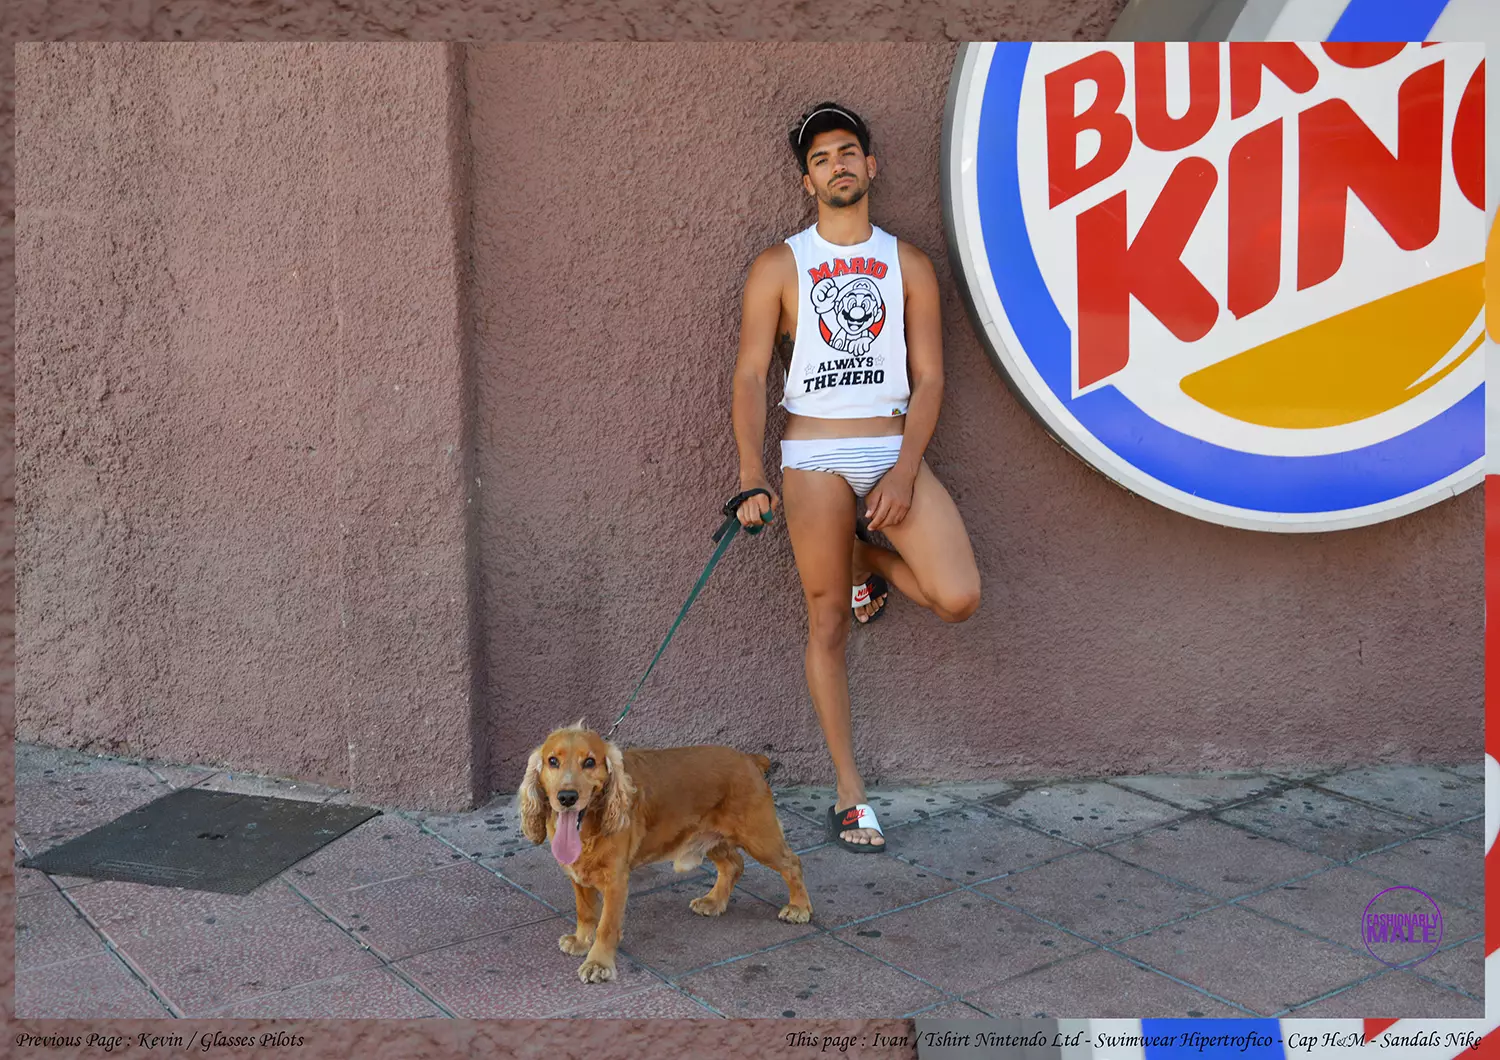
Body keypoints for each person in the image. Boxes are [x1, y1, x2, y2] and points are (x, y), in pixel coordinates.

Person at [729, 102, 981, 853]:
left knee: (958, 597)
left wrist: (904, 472)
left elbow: (931, 378)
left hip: (890, 449)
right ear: (807, 181)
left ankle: (864, 554)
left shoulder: (908, 264)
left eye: (847, 152)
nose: (835, 165)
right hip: (813, 459)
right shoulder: (780, 265)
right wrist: (751, 474)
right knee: (829, 621)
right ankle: (850, 793)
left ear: (870, 167)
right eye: (819, 159)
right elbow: (748, 374)